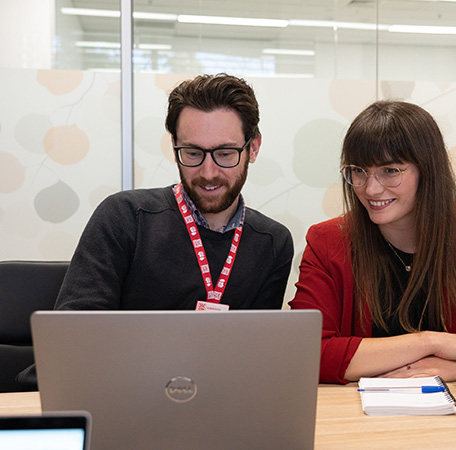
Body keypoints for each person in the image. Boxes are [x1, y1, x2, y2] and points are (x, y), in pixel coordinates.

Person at [18, 73, 293, 388]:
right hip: (112, 396)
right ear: (174, 145)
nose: (208, 172)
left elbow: (252, 363)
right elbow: (71, 345)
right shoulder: (126, 217)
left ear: (253, 148)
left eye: (225, 154)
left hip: (208, 409)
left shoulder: (272, 244)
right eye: (192, 153)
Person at [289, 100, 456, 384]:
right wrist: (430, 343)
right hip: (361, 418)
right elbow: (306, 354)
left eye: (390, 170)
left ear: (427, 170)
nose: (371, 188)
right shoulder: (327, 241)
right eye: (359, 171)